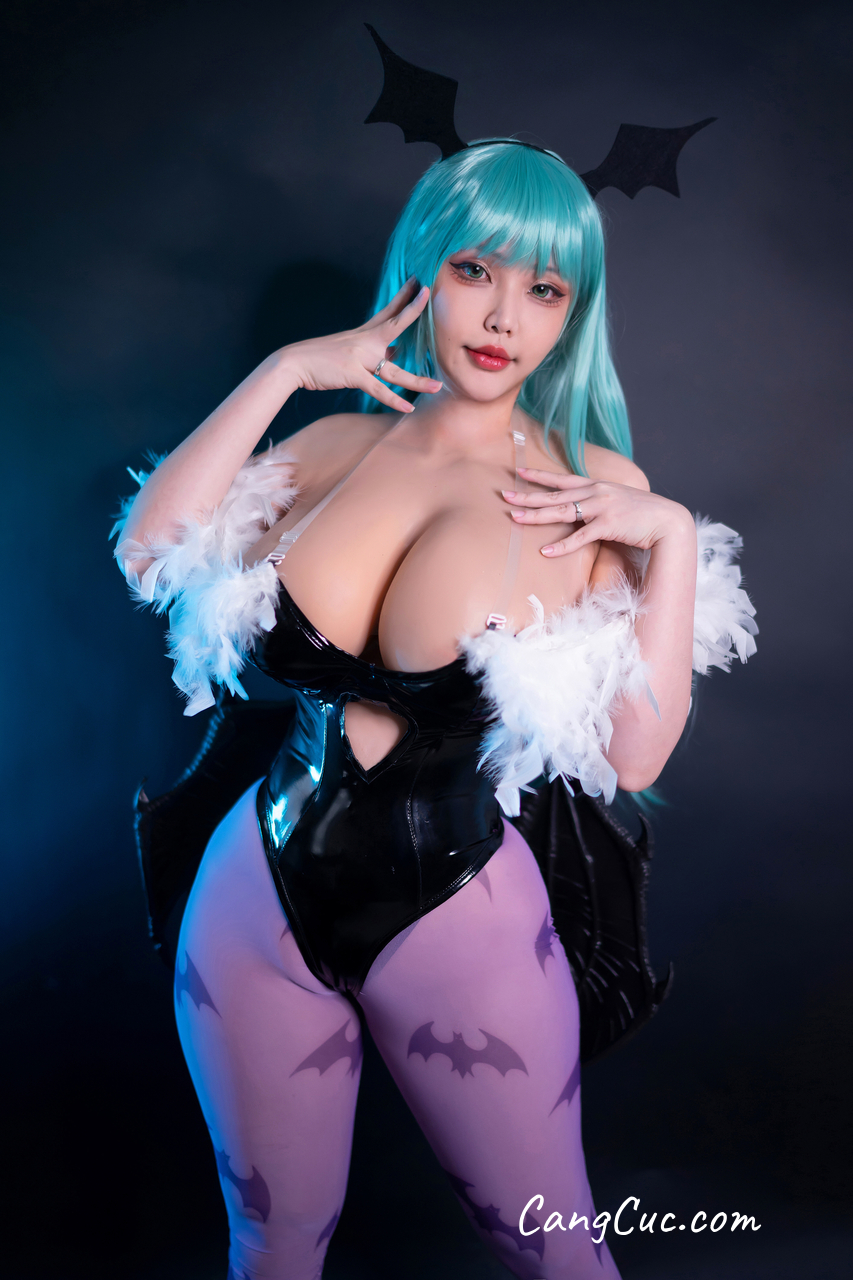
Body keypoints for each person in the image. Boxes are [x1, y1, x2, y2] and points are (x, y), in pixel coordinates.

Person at [114, 141, 756, 1280]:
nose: (503, 315)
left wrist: (665, 537)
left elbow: (631, 754)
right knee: (269, 1246)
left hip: (455, 915)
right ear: (423, 270)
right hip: (254, 896)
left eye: (543, 288)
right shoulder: (330, 446)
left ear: (572, 314)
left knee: (555, 1250)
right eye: (474, 271)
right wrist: (284, 371)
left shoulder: (590, 490)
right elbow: (149, 551)